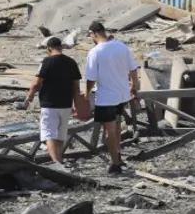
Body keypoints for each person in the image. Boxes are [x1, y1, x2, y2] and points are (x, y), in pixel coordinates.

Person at [84, 21, 139, 175]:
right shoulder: (121, 46)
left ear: (94, 34)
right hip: (122, 95)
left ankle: (115, 164)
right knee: (117, 128)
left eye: (90, 36)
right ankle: (118, 155)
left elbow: (91, 78)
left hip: (106, 97)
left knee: (109, 132)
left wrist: (87, 94)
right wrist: (135, 86)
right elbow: (133, 69)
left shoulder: (95, 52)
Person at [24, 36, 82, 169]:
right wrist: (76, 104)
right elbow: (76, 87)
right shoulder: (71, 62)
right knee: (61, 133)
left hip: (49, 103)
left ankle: (56, 162)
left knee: (49, 133)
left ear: (49, 49)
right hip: (66, 103)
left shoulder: (47, 61)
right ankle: (59, 159)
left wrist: (29, 96)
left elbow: (36, 83)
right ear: (60, 47)